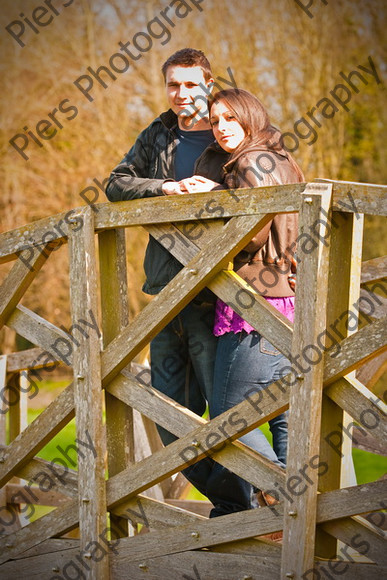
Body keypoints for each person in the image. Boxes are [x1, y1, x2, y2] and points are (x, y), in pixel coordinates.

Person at [105, 49, 252, 517]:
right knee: (168, 415)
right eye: (173, 84)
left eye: (191, 84)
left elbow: (267, 184)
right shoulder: (159, 133)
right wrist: (165, 188)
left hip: (219, 293)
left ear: (208, 84)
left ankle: (241, 511)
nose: (182, 93)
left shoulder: (231, 127)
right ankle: (233, 503)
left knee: (225, 412)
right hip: (166, 291)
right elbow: (115, 183)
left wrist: (219, 194)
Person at [180, 88, 304, 511]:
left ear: (252, 117)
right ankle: (294, 520)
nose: (222, 128)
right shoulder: (283, 159)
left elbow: (250, 232)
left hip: (253, 302)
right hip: (290, 298)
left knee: (230, 417)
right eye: (216, 121)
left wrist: (208, 202)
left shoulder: (249, 161)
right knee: (285, 416)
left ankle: (276, 497)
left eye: (231, 118)